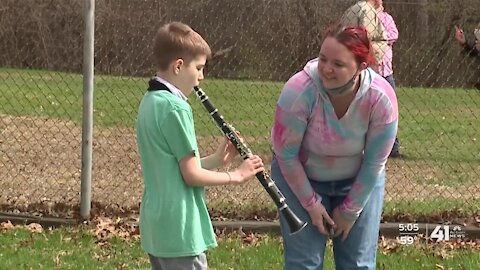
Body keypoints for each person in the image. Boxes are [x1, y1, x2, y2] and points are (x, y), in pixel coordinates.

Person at [135, 21, 265, 270]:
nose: (201, 77)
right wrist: (236, 176)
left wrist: (216, 160)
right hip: (180, 229)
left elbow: (176, 168)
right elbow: (192, 175)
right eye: (199, 68)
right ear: (179, 66)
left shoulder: (150, 101)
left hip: (157, 228)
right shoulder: (176, 107)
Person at [271, 24, 398, 270]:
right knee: (304, 263)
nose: (327, 69)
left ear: (361, 67)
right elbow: (285, 155)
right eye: (323, 59)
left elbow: (375, 162)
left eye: (338, 64)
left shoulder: (381, 98)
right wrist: (311, 203)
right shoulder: (299, 91)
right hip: (299, 177)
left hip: (358, 179)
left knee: (358, 264)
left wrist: (350, 210)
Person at [377, 3, 401, 157]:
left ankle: (393, 147)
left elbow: (393, 35)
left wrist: (378, 35)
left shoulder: (387, 18)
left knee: (391, 109)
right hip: (370, 71)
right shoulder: (363, 17)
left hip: (386, 72)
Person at [340, 0, 388, 68]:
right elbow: (366, 37)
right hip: (366, 60)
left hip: (350, 54)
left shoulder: (353, 8)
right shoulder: (368, 10)